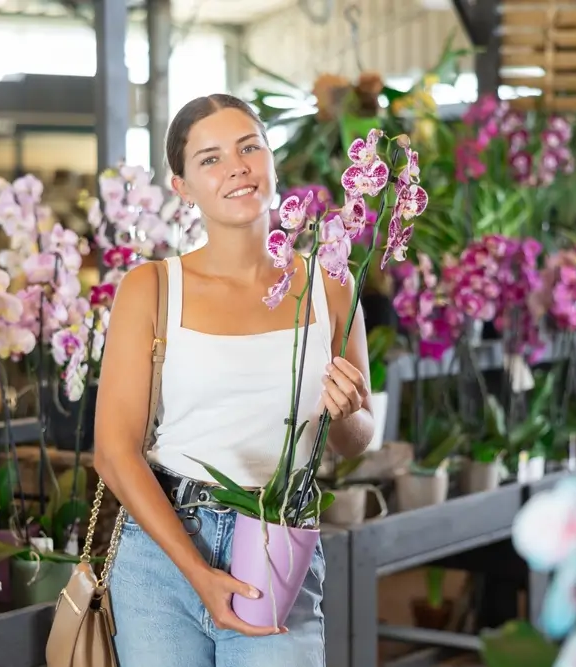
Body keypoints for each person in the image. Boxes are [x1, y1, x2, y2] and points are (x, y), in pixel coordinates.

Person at [93, 93, 375, 667]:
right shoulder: (151, 289)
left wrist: (348, 415)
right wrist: (197, 572)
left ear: (271, 159)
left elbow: (358, 437)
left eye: (249, 147)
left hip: (276, 548)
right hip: (161, 559)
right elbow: (114, 452)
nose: (237, 168)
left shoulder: (332, 284)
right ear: (182, 187)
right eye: (211, 158)